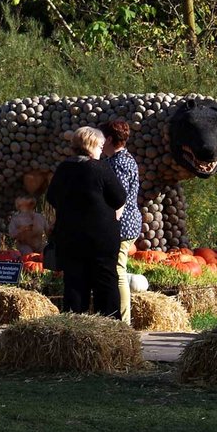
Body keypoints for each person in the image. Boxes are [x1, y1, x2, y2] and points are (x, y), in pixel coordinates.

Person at [46, 126, 127, 316]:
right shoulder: (99, 168)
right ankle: (108, 327)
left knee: (74, 283)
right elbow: (119, 198)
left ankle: (74, 326)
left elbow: (51, 197)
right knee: (105, 283)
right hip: (101, 237)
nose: (101, 150)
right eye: (99, 146)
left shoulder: (64, 168)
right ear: (90, 146)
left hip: (70, 235)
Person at [103, 119, 142, 324]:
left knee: (118, 270)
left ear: (109, 138)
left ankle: (123, 322)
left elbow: (119, 196)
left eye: (103, 139)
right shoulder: (112, 160)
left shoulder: (121, 162)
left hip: (122, 224)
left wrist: (112, 221)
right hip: (118, 223)